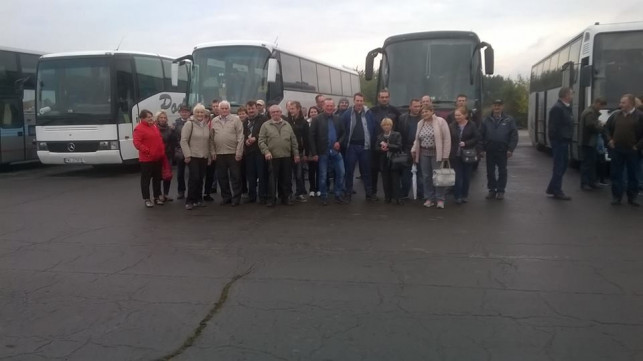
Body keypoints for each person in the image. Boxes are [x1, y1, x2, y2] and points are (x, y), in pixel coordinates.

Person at [603, 94, 643, 206]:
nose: (620, 104)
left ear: (630, 103)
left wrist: (638, 146)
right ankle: (616, 197)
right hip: (617, 150)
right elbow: (606, 128)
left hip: (633, 151)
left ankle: (632, 197)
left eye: (623, 103)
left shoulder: (640, 116)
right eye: (620, 102)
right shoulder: (616, 115)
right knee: (616, 174)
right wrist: (610, 140)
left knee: (633, 175)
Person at [259, 105, 300, 207]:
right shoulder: (265, 125)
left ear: (281, 113)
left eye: (277, 112)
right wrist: (266, 152)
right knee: (272, 180)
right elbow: (261, 141)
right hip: (272, 157)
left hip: (286, 156)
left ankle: (285, 198)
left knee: (286, 179)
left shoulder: (287, 125)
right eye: (273, 112)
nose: (275, 114)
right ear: (270, 114)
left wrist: (296, 154)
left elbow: (293, 141)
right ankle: (271, 199)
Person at [411, 104, 451, 209]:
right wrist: (414, 149)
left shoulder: (441, 121)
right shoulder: (420, 123)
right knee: (426, 177)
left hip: (437, 154)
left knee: (439, 177)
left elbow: (447, 139)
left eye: (426, 111)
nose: (424, 114)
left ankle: (440, 199)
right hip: (424, 153)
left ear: (432, 111)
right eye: (423, 112)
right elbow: (417, 138)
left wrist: (445, 155)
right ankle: (429, 198)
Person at [309, 98, 347, 205]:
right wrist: (314, 153)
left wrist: (339, 142)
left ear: (334, 107)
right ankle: (323, 196)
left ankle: (338, 194)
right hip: (322, 152)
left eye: (331, 106)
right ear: (323, 107)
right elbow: (311, 137)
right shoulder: (316, 119)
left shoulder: (338, 119)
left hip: (335, 151)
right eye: (327, 106)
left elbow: (344, 133)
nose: (329, 108)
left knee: (341, 172)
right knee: (322, 175)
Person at [341, 92, 377, 202]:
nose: (359, 103)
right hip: (351, 146)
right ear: (354, 101)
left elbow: (373, 128)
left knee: (367, 172)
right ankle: (348, 194)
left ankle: (369, 194)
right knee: (349, 171)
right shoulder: (347, 114)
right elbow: (342, 129)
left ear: (363, 101)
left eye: (361, 101)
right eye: (357, 100)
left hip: (365, 147)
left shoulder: (369, 113)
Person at [480, 99, 519, 200]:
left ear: (502, 107)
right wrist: (481, 149)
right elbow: (481, 135)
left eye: (499, 105)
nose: (497, 107)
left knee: (502, 171)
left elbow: (514, 135)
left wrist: (511, 149)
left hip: (503, 150)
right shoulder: (486, 120)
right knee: (490, 172)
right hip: (490, 150)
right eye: (495, 105)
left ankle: (501, 191)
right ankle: (492, 190)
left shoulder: (509, 120)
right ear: (492, 107)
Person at [367, 89, 401, 198]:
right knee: (374, 170)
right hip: (375, 145)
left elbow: (399, 128)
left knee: (391, 171)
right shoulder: (371, 111)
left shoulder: (395, 111)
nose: (384, 99)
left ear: (389, 98)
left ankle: (391, 194)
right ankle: (373, 192)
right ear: (378, 98)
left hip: (391, 146)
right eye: (382, 97)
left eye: (386, 97)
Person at [211, 100, 244, 206]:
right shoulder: (214, 121)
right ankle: (226, 197)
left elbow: (240, 136)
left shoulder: (236, 120)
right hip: (220, 153)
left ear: (229, 109)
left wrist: (239, 152)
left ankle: (236, 198)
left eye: (226, 108)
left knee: (235, 177)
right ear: (219, 110)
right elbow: (211, 139)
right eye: (222, 108)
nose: (224, 110)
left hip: (233, 153)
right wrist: (213, 152)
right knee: (222, 177)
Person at [180, 103, 213, 210]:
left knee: (200, 179)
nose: (200, 114)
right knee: (194, 178)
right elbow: (183, 140)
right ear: (194, 113)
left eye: (202, 112)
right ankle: (189, 200)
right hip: (192, 156)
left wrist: (208, 157)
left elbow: (208, 142)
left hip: (203, 156)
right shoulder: (189, 124)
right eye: (197, 112)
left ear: (204, 114)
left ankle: (198, 199)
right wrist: (187, 155)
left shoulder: (206, 125)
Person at [546, 87, 574, 200]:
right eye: (571, 94)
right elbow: (553, 127)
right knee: (559, 166)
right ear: (566, 95)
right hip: (559, 141)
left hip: (564, 140)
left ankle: (552, 188)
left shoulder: (566, 108)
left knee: (563, 165)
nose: (572, 96)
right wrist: (556, 140)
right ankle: (557, 190)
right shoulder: (557, 108)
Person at [133, 109, 166, 208]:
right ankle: (147, 199)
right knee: (146, 180)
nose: (150, 118)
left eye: (151, 116)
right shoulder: (138, 129)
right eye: (148, 117)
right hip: (147, 159)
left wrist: (161, 151)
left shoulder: (154, 126)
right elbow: (137, 143)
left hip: (157, 157)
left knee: (157, 179)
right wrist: (147, 151)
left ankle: (156, 197)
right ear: (142, 118)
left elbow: (159, 139)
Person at [449, 106, 480, 204]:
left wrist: (466, 143)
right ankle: (457, 196)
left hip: (468, 155)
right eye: (455, 115)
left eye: (459, 115)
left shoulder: (472, 125)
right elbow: (448, 139)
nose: (457, 117)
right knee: (458, 177)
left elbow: (476, 138)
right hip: (455, 155)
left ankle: (464, 195)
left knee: (466, 176)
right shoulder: (452, 125)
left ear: (465, 115)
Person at [397, 98, 423, 200]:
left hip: (421, 148)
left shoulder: (423, 118)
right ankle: (404, 193)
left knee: (421, 172)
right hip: (406, 148)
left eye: (419, 106)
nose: (417, 108)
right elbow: (399, 133)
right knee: (406, 172)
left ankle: (421, 194)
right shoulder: (402, 118)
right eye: (415, 106)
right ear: (410, 107)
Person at [579, 97, 607, 191]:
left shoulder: (590, 112)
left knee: (591, 163)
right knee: (587, 163)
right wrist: (601, 125)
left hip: (589, 141)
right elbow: (591, 126)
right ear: (597, 103)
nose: (601, 109)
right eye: (601, 106)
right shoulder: (590, 113)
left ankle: (591, 182)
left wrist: (597, 122)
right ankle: (585, 183)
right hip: (588, 142)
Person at [243, 100, 268, 204]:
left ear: (256, 108)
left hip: (259, 151)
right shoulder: (245, 121)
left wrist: (255, 138)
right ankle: (251, 196)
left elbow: (266, 133)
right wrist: (246, 140)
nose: (251, 110)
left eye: (252, 108)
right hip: (249, 152)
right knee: (251, 175)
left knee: (262, 175)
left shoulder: (263, 119)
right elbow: (243, 134)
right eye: (249, 109)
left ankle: (262, 196)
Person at [286, 101, 310, 202]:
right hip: (287, 151)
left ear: (298, 109)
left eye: (293, 108)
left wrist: (306, 153)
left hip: (299, 152)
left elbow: (307, 138)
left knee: (299, 174)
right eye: (289, 108)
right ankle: (289, 193)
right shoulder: (286, 121)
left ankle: (300, 193)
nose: (291, 110)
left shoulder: (304, 122)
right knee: (287, 174)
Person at [377, 118, 403, 205]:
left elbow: (399, 146)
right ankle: (387, 197)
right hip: (384, 161)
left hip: (394, 160)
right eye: (384, 125)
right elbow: (375, 148)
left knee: (395, 180)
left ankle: (397, 198)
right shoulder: (379, 136)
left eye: (388, 125)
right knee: (385, 180)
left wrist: (388, 145)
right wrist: (381, 149)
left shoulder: (397, 134)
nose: (386, 127)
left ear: (391, 126)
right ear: (382, 127)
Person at [155, 110, 177, 202]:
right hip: (157, 156)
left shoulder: (170, 129)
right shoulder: (154, 129)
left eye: (164, 118)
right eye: (161, 118)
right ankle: (158, 194)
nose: (163, 119)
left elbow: (173, 142)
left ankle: (166, 194)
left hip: (167, 156)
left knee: (167, 176)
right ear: (157, 119)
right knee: (158, 176)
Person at [173, 104, 191, 200]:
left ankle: (191, 192)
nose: (184, 113)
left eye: (186, 111)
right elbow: (174, 138)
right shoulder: (176, 124)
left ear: (189, 113)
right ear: (179, 113)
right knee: (180, 173)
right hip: (180, 151)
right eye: (182, 111)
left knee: (192, 174)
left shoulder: (193, 122)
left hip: (191, 150)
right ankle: (181, 191)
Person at [203, 100, 220, 201]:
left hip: (211, 152)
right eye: (202, 116)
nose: (204, 118)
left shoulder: (212, 125)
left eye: (206, 116)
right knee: (199, 176)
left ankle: (207, 193)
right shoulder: (194, 125)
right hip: (200, 153)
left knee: (210, 174)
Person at [306, 106, 320, 197]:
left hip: (319, 149)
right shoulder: (306, 123)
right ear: (309, 113)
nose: (313, 113)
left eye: (315, 112)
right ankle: (312, 189)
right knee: (311, 171)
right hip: (310, 150)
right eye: (311, 112)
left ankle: (319, 188)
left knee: (319, 170)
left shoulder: (321, 122)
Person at [237, 106, 249, 196]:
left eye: (243, 113)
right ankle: (243, 189)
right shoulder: (236, 123)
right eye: (240, 114)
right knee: (241, 172)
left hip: (248, 149)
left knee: (248, 171)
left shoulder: (248, 123)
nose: (241, 115)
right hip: (240, 150)